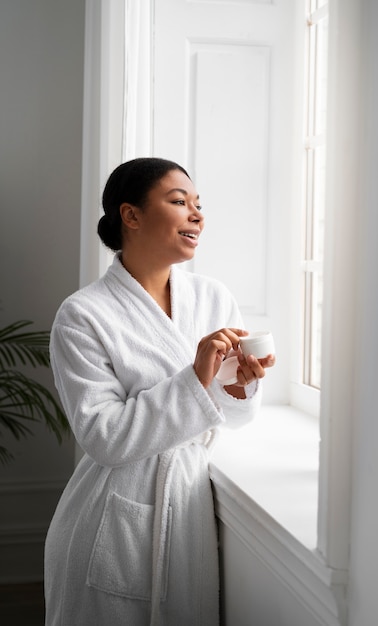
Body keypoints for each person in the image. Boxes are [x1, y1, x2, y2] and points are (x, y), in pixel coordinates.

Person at [44, 157, 275, 625]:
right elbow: (104, 436)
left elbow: (230, 418)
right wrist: (195, 378)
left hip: (185, 505)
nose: (197, 214)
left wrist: (237, 387)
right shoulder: (83, 315)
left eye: (198, 204)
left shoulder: (213, 297)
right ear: (131, 215)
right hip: (109, 515)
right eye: (179, 201)